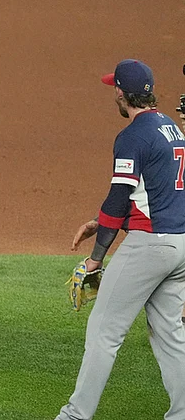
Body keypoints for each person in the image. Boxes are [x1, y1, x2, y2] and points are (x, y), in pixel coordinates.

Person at [55, 60, 185, 420]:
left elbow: (118, 197)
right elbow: (153, 194)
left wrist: (97, 256)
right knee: (170, 335)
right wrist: (102, 222)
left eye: (115, 87)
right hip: (180, 245)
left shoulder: (132, 136)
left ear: (121, 94)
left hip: (150, 246)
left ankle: (74, 416)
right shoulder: (171, 128)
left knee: (103, 332)